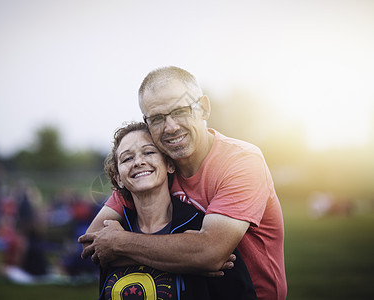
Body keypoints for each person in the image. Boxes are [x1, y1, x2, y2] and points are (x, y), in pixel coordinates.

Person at [79, 66, 287, 300]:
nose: (171, 127)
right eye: (157, 118)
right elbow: (95, 244)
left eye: (180, 111)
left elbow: (210, 254)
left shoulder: (241, 161)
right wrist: (192, 259)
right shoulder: (154, 169)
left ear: (204, 108)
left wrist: (121, 243)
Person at [97, 122, 256, 299]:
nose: (138, 162)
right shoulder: (110, 236)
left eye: (149, 152)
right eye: (127, 158)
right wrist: (187, 262)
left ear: (169, 166)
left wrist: (197, 259)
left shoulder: (202, 232)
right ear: (119, 179)